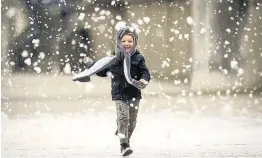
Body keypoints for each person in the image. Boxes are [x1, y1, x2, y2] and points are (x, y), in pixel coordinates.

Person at [82, 26, 151, 156]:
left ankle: (123, 132)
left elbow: (145, 72)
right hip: (119, 94)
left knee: (132, 121)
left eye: (130, 41)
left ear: (135, 42)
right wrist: (91, 64)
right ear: (118, 42)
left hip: (134, 94)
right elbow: (102, 71)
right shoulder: (114, 59)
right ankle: (124, 144)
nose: (126, 43)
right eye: (123, 41)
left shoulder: (138, 58)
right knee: (123, 117)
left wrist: (144, 80)